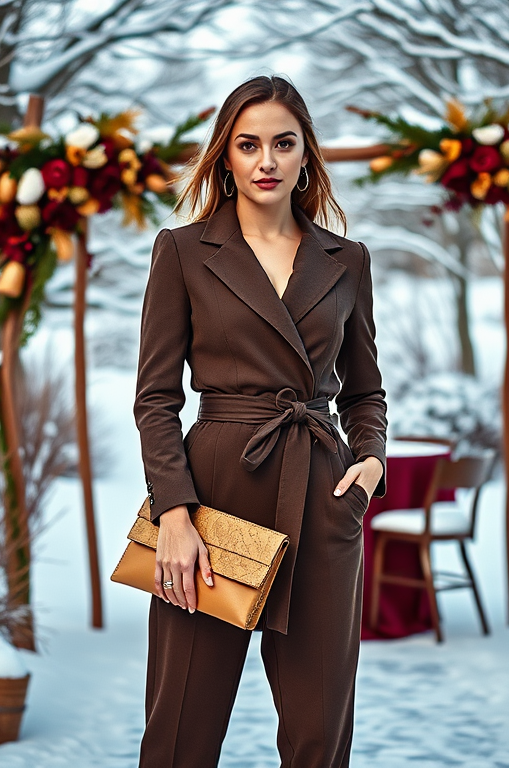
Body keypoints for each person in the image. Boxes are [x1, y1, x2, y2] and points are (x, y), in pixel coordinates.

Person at [133, 74, 387, 768]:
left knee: (317, 736)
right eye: (249, 145)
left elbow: (365, 393)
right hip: (214, 500)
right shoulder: (183, 252)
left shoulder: (347, 261)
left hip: (322, 499)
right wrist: (174, 516)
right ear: (226, 156)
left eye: (283, 143)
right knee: (181, 730)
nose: (266, 161)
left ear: (307, 154)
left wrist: (368, 462)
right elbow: (155, 399)